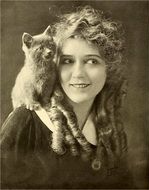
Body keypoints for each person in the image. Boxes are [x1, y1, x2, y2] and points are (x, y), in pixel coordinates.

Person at [0, 5, 134, 189]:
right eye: (68, 61)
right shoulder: (24, 122)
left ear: (108, 69)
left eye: (92, 61)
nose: (78, 73)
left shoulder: (110, 133)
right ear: (54, 64)